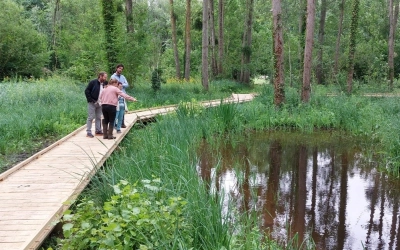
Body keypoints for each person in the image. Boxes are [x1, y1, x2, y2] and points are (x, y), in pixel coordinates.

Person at [84, 71, 107, 138]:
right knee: (90, 117)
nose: (105, 78)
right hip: (92, 102)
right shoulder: (93, 82)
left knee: (99, 117)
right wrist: (90, 100)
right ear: (100, 76)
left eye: (106, 77)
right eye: (104, 77)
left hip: (100, 103)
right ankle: (88, 132)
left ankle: (98, 130)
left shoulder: (105, 83)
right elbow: (87, 91)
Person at [110, 64, 129, 128]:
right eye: (119, 68)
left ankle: (122, 123)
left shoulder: (123, 77)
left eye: (122, 69)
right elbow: (112, 84)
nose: (120, 70)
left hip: (123, 94)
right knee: (116, 109)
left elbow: (127, 85)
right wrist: (119, 85)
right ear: (117, 68)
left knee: (122, 109)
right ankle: (115, 124)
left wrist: (121, 84)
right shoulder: (113, 76)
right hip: (115, 94)